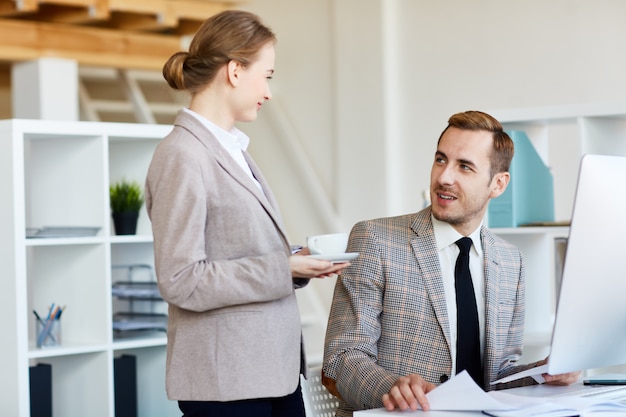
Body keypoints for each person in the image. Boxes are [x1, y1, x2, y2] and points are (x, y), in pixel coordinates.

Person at [145, 10, 348, 417]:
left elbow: (235, 251)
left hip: (271, 373)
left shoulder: (232, 149)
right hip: (228, 386)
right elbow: (181, 279)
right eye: (266, 74)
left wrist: (297, 260)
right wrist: (283, 268)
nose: (268, 91)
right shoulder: (183, 155)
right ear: (235, 71)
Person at [321, 110, 580, 416]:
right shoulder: (376, 239)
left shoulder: (511, 261)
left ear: (497, 184)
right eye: (440, 159)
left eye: (465, 167)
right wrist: (391, 388)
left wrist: (543, 372)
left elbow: (493, 379)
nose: (444, 177)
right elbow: (340, 360)